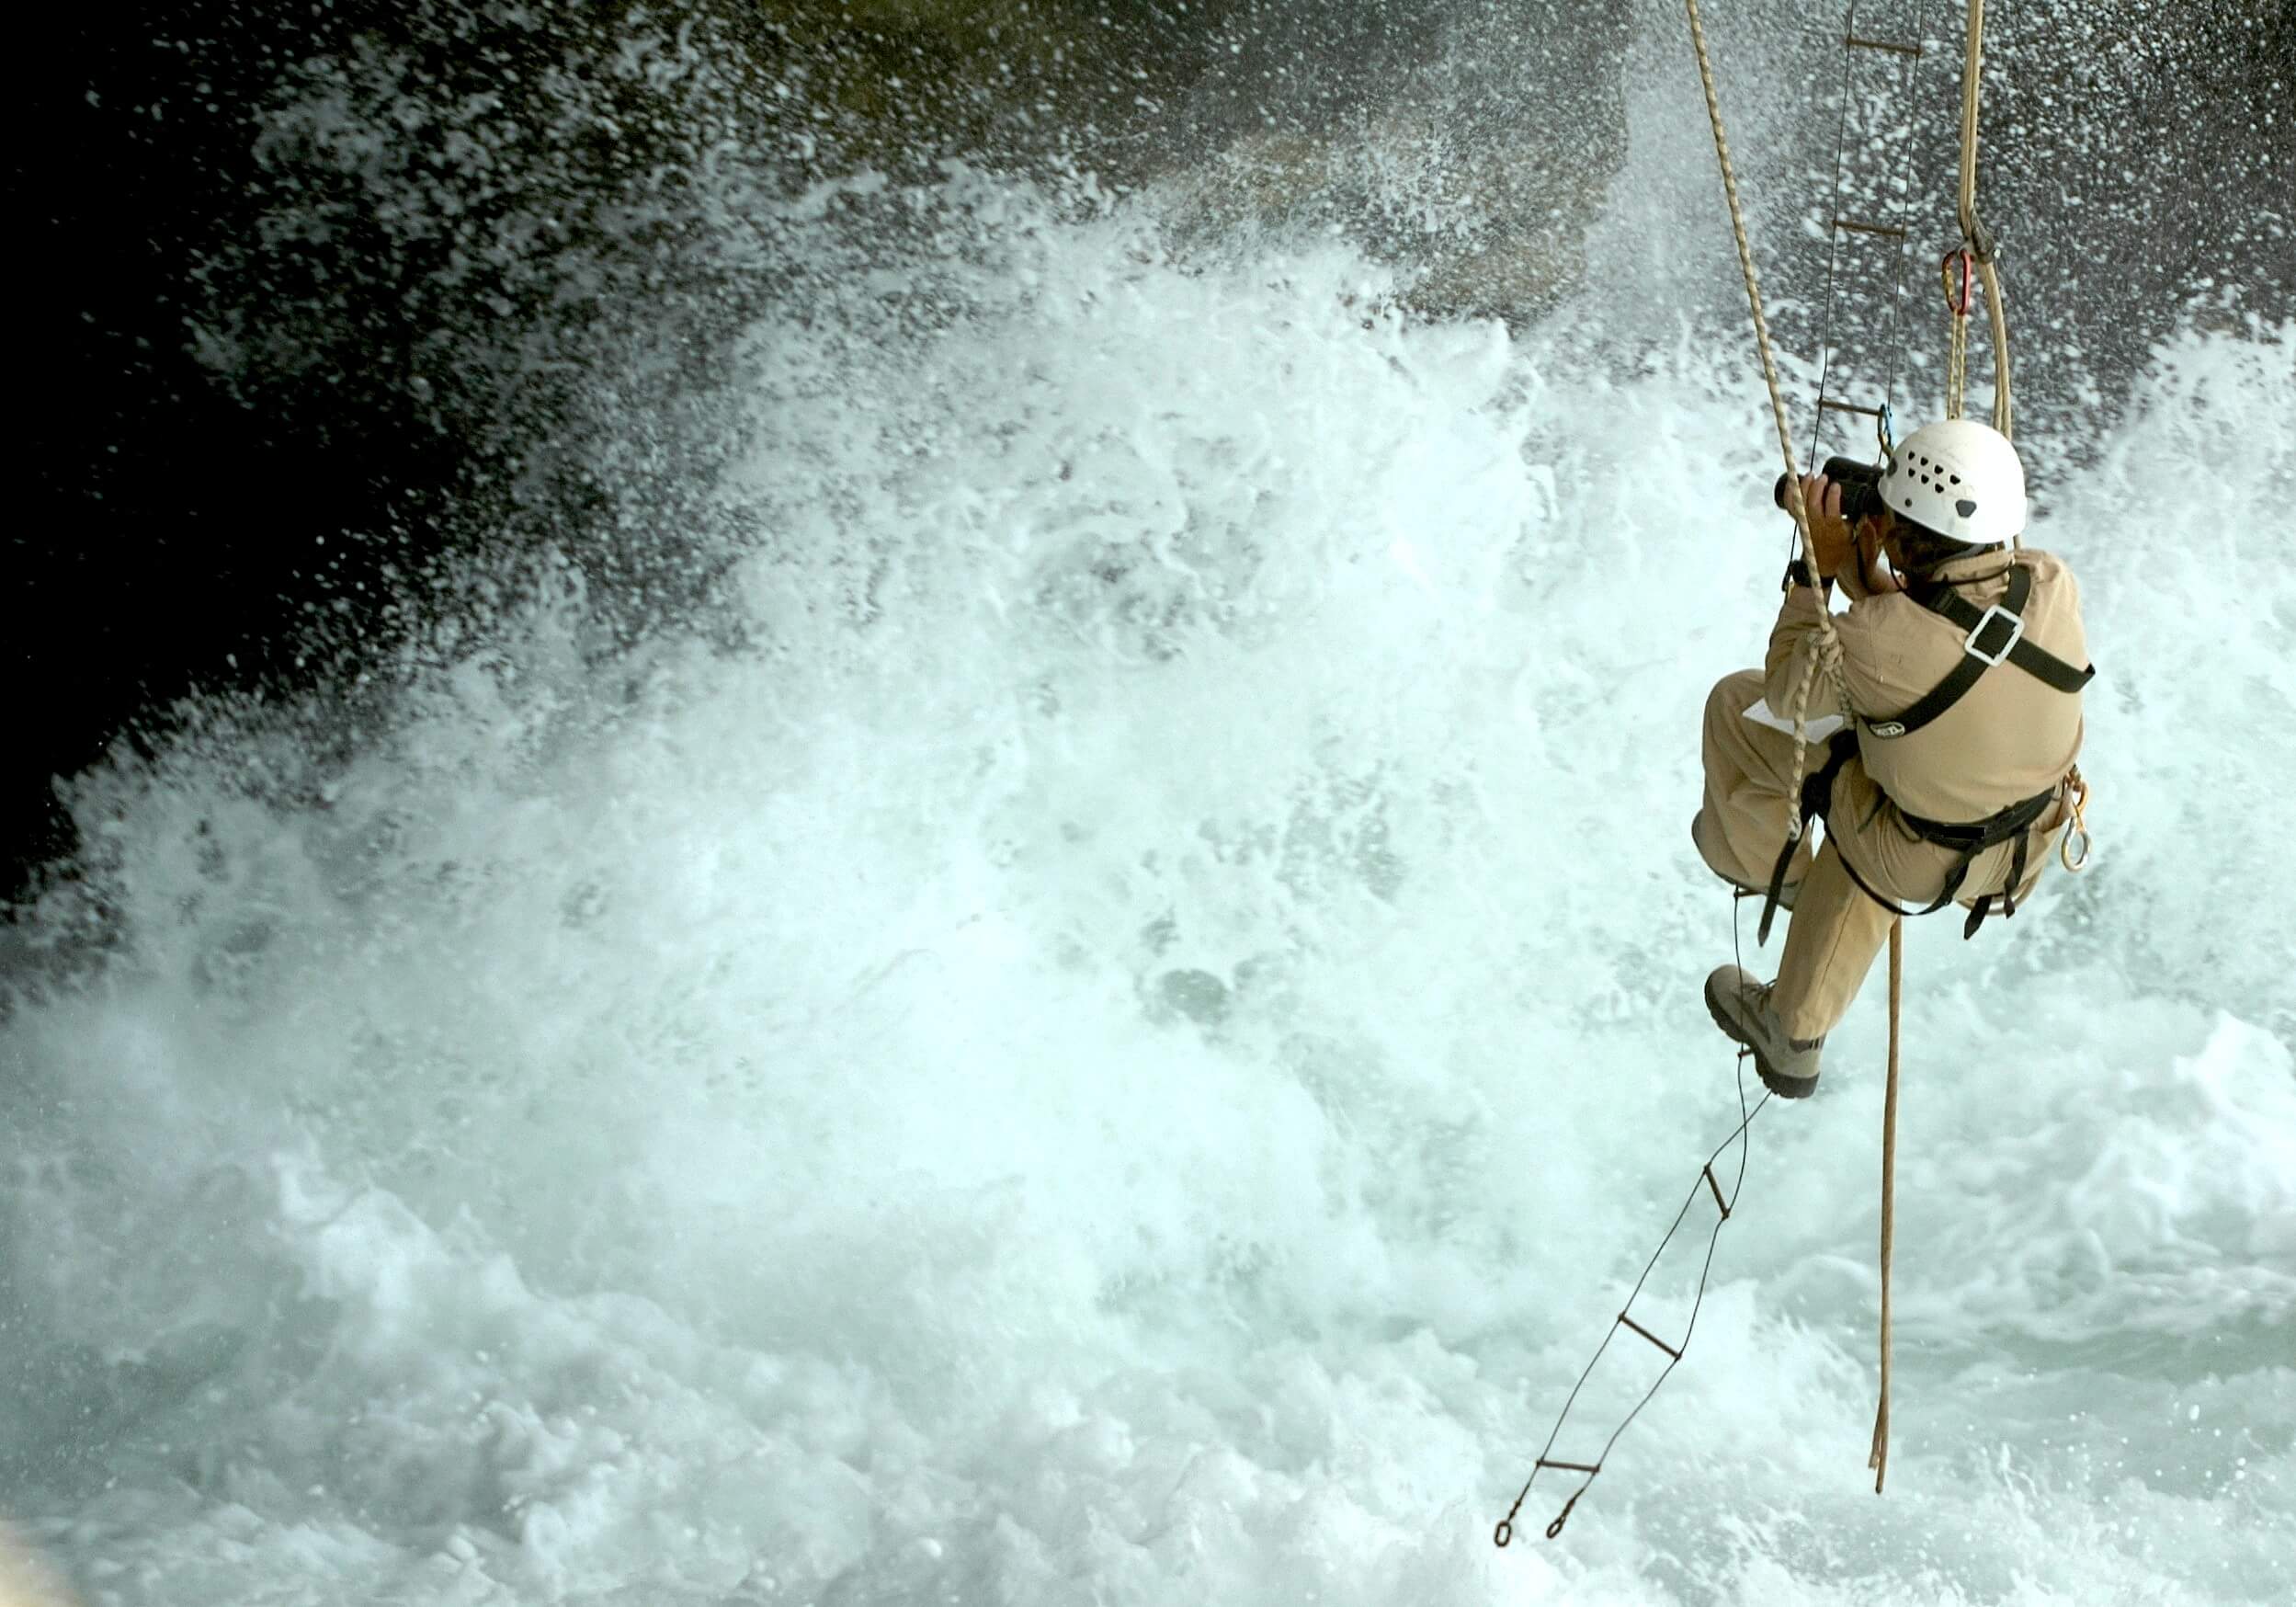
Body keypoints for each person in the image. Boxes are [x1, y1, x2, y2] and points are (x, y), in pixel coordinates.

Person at [1692, 419, 2092, 1097]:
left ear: (1901, 527)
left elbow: (1792, 689)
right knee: (1902, 784)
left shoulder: (1877, 642)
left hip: (1924, 858)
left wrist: (1815, 570)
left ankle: (1789, 992)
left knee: (1738, 709)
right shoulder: (2050, 583)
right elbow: (1950, 646)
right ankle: (1803, 980)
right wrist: (1873, 575)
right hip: (2029, 845)